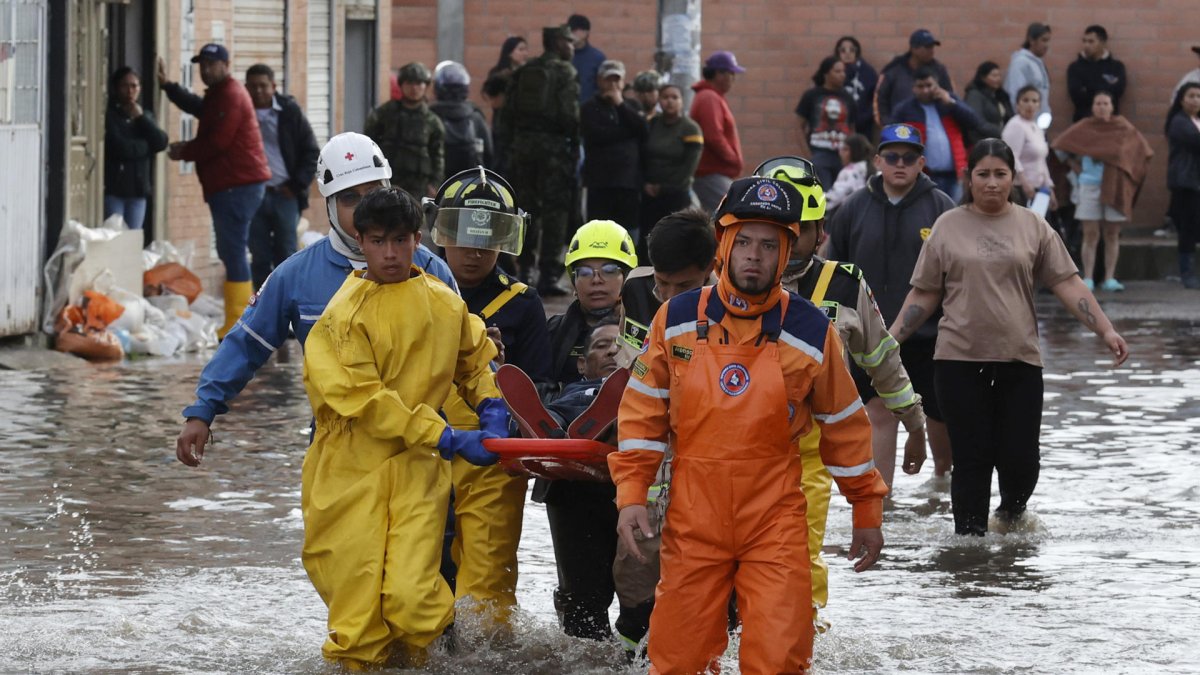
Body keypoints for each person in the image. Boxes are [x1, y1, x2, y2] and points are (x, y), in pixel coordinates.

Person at [612, 176, 888, 674]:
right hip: (692, 518)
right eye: (743, 242)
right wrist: (632, 494)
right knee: (677, 662)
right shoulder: (673, 319)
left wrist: (866, 509)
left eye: (768, 244)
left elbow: (845, 424)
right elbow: (643, 414)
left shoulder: (811, 330)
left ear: (786, 253)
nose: (754, 256)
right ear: (723, 246)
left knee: (780, 658)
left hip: (775, 520)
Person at [300, 186, 508, 667]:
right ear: (360, 241)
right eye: (378, 241)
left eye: (399, 240)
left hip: (418, 467)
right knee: (357, 617)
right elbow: (366, 401)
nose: (390, 253)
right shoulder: (341, 318)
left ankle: (427, 662)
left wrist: (490, 404)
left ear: (418, 239)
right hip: (350, 470)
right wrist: (447, 436)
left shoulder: (445, 303)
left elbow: (473, 360)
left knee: (414, 601)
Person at [174, 133, 458, 470]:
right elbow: (246, 344)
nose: (364, 207)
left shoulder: (431, 270)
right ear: (330, 206)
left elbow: (466, 357)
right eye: (350, 198)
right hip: (338, 446)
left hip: (423, 444)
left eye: (373, 193)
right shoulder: (295, 275)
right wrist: (202, 411)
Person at [890, 138, 1129, 536]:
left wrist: (1105, 329)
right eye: (983, 174)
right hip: (958, 360)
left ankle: (1010, 518)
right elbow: (925, 293)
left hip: (1020, 360)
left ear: (1013, 178)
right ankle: (968, 547)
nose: (991, 182)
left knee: (1022, 461)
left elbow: (1066, 283)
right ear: (968, 178)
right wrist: (891, 338)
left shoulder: (1032, 225)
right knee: (972, 459)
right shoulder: (948, 226)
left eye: (1000, 174)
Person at [758, 157, 925, 632]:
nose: (787, 239)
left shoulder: (845, 285)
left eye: (798, 229)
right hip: (731, 444)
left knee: (800, 550)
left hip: (810, 446)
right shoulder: (727, 283)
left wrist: (913, 422)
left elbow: (882, 359)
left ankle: (800, 637)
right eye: (774, 230)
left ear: (820, 232)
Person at [425, 166, 550, 620]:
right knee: (418, 567)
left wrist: (498, 366)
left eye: (488, 238)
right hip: (423, 443)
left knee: (489, 580)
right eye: (462, 236)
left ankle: (487, 651)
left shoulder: (522, 302)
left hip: (494, 454)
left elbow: (540, 388)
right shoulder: (415, 290)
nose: (475, 251)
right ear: (441, 231)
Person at [823, 123, 956, 486]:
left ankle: (942, 487)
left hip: (930, 336)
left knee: (937, 415)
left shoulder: (941, 208)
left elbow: (958, 276)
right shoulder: (852, 208)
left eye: (909, 158)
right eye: (893, 156)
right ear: (877, 160)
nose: (900, 164)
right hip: (868, 337)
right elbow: (833, 271)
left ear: (921, 163)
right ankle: (881, 503)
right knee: (879, 412)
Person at [536, 219, 638, 641]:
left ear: (628, 275)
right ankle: (584, 662)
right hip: (572, 480)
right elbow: (535, 384)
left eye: (609, 270)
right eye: (584, 271)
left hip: (637, 474)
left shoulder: (653, 321)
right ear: (572, 278)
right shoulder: (554, 332)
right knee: (582, 603)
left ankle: (639, 658)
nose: (597, 280)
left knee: (642, 597)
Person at [158, 44, 270, 338]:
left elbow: (219, 141)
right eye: (202, 65)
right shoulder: (219, 95)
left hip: (237, 185)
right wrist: (169, 87)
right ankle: (239, 318)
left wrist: (184, 151)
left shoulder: (230, 94)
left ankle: (239, 320)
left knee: (232, 250)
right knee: (230, 249)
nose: (205, 70)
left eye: (211, 64)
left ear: (226, 65)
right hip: (232, 184)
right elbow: (200, 108)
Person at [501, 24, 579, 295]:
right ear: (557, 43)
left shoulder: (524, 70)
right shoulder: (565, 72)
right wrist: (574, 144)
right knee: (556, 211)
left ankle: (523, 269)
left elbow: (507, 113)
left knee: (526, 210)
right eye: (569, 41)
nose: (572, 47)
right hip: (554, 151)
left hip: (523, 148)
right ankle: (548, 275)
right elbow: (570, 115)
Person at [1051, 91, 1153, 291]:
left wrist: (1126, 172)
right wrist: (1074, 165)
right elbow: (1060, 146)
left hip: (1115, 185)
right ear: (1092, 107)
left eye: (1106, 103)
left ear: (1112, 106)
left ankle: (1109, 278)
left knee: (1112, 233)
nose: (1102, 107)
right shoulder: (1084, 127)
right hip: (1089, 185)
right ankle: (1088, 277)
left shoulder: (1123, 127)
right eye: (1098, 103)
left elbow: (1142, 151)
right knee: (1090, 233)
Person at [243, 63, 320, 290]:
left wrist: (296, 185)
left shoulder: (289, 112)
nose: (258, 91)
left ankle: (288, 302)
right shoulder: (241, 112)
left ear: (273, 87)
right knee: (259, 255)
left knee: (286, 254)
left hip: (285, 195)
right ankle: (262, 303)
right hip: (254, 196)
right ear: (246, 88)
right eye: (253, 86)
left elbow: (311, 151)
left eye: (263, 86)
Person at [892, 67, 995, 202]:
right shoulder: (904, 109)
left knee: (955, 210)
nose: (925, 90)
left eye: (929, 85)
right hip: (925, 175)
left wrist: (951, 104)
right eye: (920, 86)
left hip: (955, 173)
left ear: (937, 85)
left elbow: (974, 121)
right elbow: (893, 138)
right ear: (913, 88)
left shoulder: (948, 102)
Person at [580, 60, 647, 233]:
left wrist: (620, 105)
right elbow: (596, 135)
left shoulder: (632, 106)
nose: (612, 85)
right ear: (599, 81)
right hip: (600, 182)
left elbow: (642, 129)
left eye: (616, 80)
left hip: (628, 182)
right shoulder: (589, 107)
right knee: (598, 231)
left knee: (628, 232)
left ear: (623, 82)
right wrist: (627, 132)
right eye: (608, 80)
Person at [638, 84, 704, 261]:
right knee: (648, 240)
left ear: (682, 101)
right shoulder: (651, 124)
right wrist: (645, 184)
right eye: (665, 97)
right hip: (649, 195)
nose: (670, 101)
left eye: (675, 97)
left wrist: (663, 187)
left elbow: (689, 167)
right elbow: (641, 156)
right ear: (659, 100)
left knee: (674, 240)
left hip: (676, 195)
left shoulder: (690, 128)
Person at [364, 62, 445, 200]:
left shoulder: (432, 121)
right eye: (409, 83)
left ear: (425, 86)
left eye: (419, 83)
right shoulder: (384, 114)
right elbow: (369, 145)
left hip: (419, 187)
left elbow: (438, 156)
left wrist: (435, 184)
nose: (414, 88)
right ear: (401, 85)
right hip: (387, 182)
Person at [104, 66, 167, 231]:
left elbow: (161, 142)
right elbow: (119, 147)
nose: (130, 91)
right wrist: (146, 147)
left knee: (133, 236)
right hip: (115, 189)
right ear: (116, 88)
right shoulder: (110, 116)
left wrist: (140, 118)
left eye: (134, 86)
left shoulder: (145, 116)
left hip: (138, 190)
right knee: (114, 235)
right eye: (125, 86)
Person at [691, 50, 746, 211]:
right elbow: (713, 136)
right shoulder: (709, 97)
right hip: (711, 173)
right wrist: (733, 159)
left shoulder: (712, 96)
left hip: (714, 174)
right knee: (733, 212)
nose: (733, 79)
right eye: (731, 73)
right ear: (719, 74)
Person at [795, 55, 856, 188]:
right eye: (837, 71)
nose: (842, 75)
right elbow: (798, 126)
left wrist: (851, 155)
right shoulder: (812, 95)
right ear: (826, 74)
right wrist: (809, 155)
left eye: (843, 71)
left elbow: (852, 129)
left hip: (842, 156)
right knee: (824, 194)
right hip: (819, 153)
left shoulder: (848, 98)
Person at [874, 29, 954, 126]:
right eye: (927, 47)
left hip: (931, 126)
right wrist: (887, 124)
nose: (932, 50)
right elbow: (880, 99)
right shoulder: (894, 71)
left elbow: (950, 96)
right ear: (913, 48)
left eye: (932, 47)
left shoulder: (939, 70)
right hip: (900, 128)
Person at [430, 61, 493, 177]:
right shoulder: (475, 117)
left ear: (437, 88)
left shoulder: (430, 116)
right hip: (470, 181)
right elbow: (489, 154)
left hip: (438, 182)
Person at [1166, 83, 1200, 289]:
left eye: (1199, 96)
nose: (1195, 100)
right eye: (1191, 96)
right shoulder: (1179, 122)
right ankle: (1186, 272)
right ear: (1182, 99)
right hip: (1186, 183)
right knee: (1188, 228)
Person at [1003, 86, 1054, 205]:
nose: (1030, 105)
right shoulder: (1015, 125)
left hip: (1038, 186)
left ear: (1039, 105)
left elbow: (1041, 160)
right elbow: (1011, 156)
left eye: (1034, 101)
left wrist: (1048, 186)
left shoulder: (1036, 127)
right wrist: (1024, 183)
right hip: (1020, 187)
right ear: (1017, 104)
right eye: (1025, 100)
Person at [1067, 25, 1127, 122]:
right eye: (1084, 41)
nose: (1086, 45)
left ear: (1102, 43)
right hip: (1082, 122)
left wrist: (1088, 88)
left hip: (1110, 122)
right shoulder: (1075, 67)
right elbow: (1077, 96)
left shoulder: (1116, 67)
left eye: (1091, 41)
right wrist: (1105, 88)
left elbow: (1117, 92)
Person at [1004, 23, 1053, 118]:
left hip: (1039, 119)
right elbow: (1015, 93)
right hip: (1026, 120)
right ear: (1032, 40)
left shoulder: (1037, 62)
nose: (1047, 45)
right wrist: (1023, 119)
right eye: (1043, 40)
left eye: (1048, 41)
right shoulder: (1021, 63)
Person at [835, 36, 878, 137]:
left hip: (863, 126)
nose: (847, 53)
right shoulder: (832, 71)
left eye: (852, 50)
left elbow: (876, 98)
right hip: (836, 126)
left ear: (857, 52)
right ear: (838, 53)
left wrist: (865, 117)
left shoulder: (868, 72)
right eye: (843, 50)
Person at [964, 61, 1014, 141]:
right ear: (983, 77)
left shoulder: (1000, 95)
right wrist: (1002, 132)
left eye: (999, 76)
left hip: (1001, 139)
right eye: (994, 76)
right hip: (982, 140)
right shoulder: (974, 95)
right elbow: (977, 121)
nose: (998, 79)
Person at [826, 134, 873, 211]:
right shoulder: (873, 169)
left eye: (845, 149)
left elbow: (835, 197)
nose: (840, 153)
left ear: (856, 151)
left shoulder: (848, 172)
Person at [569, 14, 606, 103]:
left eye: (575, 30)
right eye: (570, 30)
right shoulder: (562, 56)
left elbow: (603, 88)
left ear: (586, 32)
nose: (571, 34)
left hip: (589, 108)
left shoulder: (597, 58)